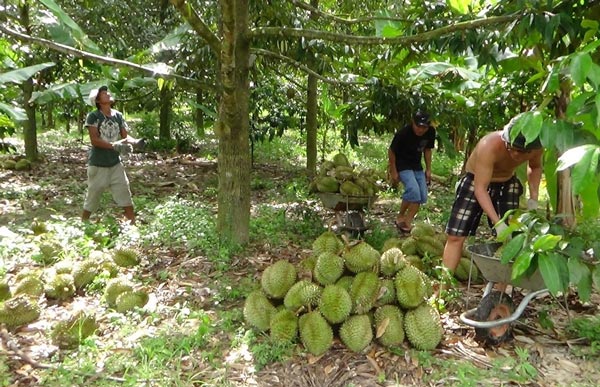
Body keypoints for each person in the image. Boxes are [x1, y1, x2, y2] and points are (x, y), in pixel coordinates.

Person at [441, 117, 543, 273]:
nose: (515, 154)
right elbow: (480, 188)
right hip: (475, 181)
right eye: (511, 147)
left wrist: (534, 198)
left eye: (521, 151)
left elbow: (535, 168)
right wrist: (498, 223)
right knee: (456, 236)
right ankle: (443, 289)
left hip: (507, 183)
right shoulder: (488, 145)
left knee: (511, 239)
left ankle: (500, 291)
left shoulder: (536, 147)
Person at [81, 85, 138, 224]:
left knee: (124, 192)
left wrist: (136, 142)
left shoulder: (118, 115)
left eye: (107, 93)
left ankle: (132, 223)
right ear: (98, 101)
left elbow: (125, 136)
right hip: (99, 163)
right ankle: (83, 223)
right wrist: (114, 146)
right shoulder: (93, 116)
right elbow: (95, 140)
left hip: (115, 163)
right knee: (93, 197)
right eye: (104, 94)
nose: (108, 95)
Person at [388, 110, 436, 233]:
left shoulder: (430, 132)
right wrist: (393, 170)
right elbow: (391, 151)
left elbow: (427, 150)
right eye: (418, 126)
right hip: (402, 164)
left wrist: (429, 169)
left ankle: (407, 222)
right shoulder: (403, 133)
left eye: (424, 127)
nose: (421, 130)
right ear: (413, 123)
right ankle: (400, 216)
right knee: (414, 191)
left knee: (422, 196)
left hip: (416, 165)